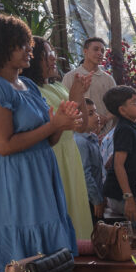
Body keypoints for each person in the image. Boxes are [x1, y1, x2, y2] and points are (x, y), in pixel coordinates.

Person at [0, 14, 80, 272]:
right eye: (20, 44)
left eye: (28, 44)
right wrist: (53, 124)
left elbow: (48, 139)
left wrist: (62, 122)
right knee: (22, 260)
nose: (29, 50)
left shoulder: (30, 86)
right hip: (15, 178)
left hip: (42, 172)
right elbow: (3, 145)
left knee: (47, 260)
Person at [22, 36, 93, 240]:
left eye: (52, 52)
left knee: (76, 209)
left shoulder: (57, 86)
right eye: (46, 54)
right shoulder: (30, 90)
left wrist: (78, 93)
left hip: (70, 154)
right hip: (52, 154)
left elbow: (82, 126)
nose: (53, 58)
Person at [102, 86, 136, 223]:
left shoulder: (135, 126)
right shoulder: (125, 129)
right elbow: (118, 165)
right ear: (122, 110)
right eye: (135, 102)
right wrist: (129, 198)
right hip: (121, 196)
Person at [61, 36, 116, 117]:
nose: (100, 53)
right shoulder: (70, 77)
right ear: (85, 51)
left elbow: (116, 105)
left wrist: (106, 119)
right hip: (78, 123)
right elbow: (63, 103)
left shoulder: (109, 79)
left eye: (102, 51)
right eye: (96, 49)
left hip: (104, 124)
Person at [74, 97, 105, 223]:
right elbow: (85, 174)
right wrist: (96, 199)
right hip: (88, 200)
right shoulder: (80, 142)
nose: (97, 116)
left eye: (95, 111)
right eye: (90, 114)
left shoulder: (92, 138)